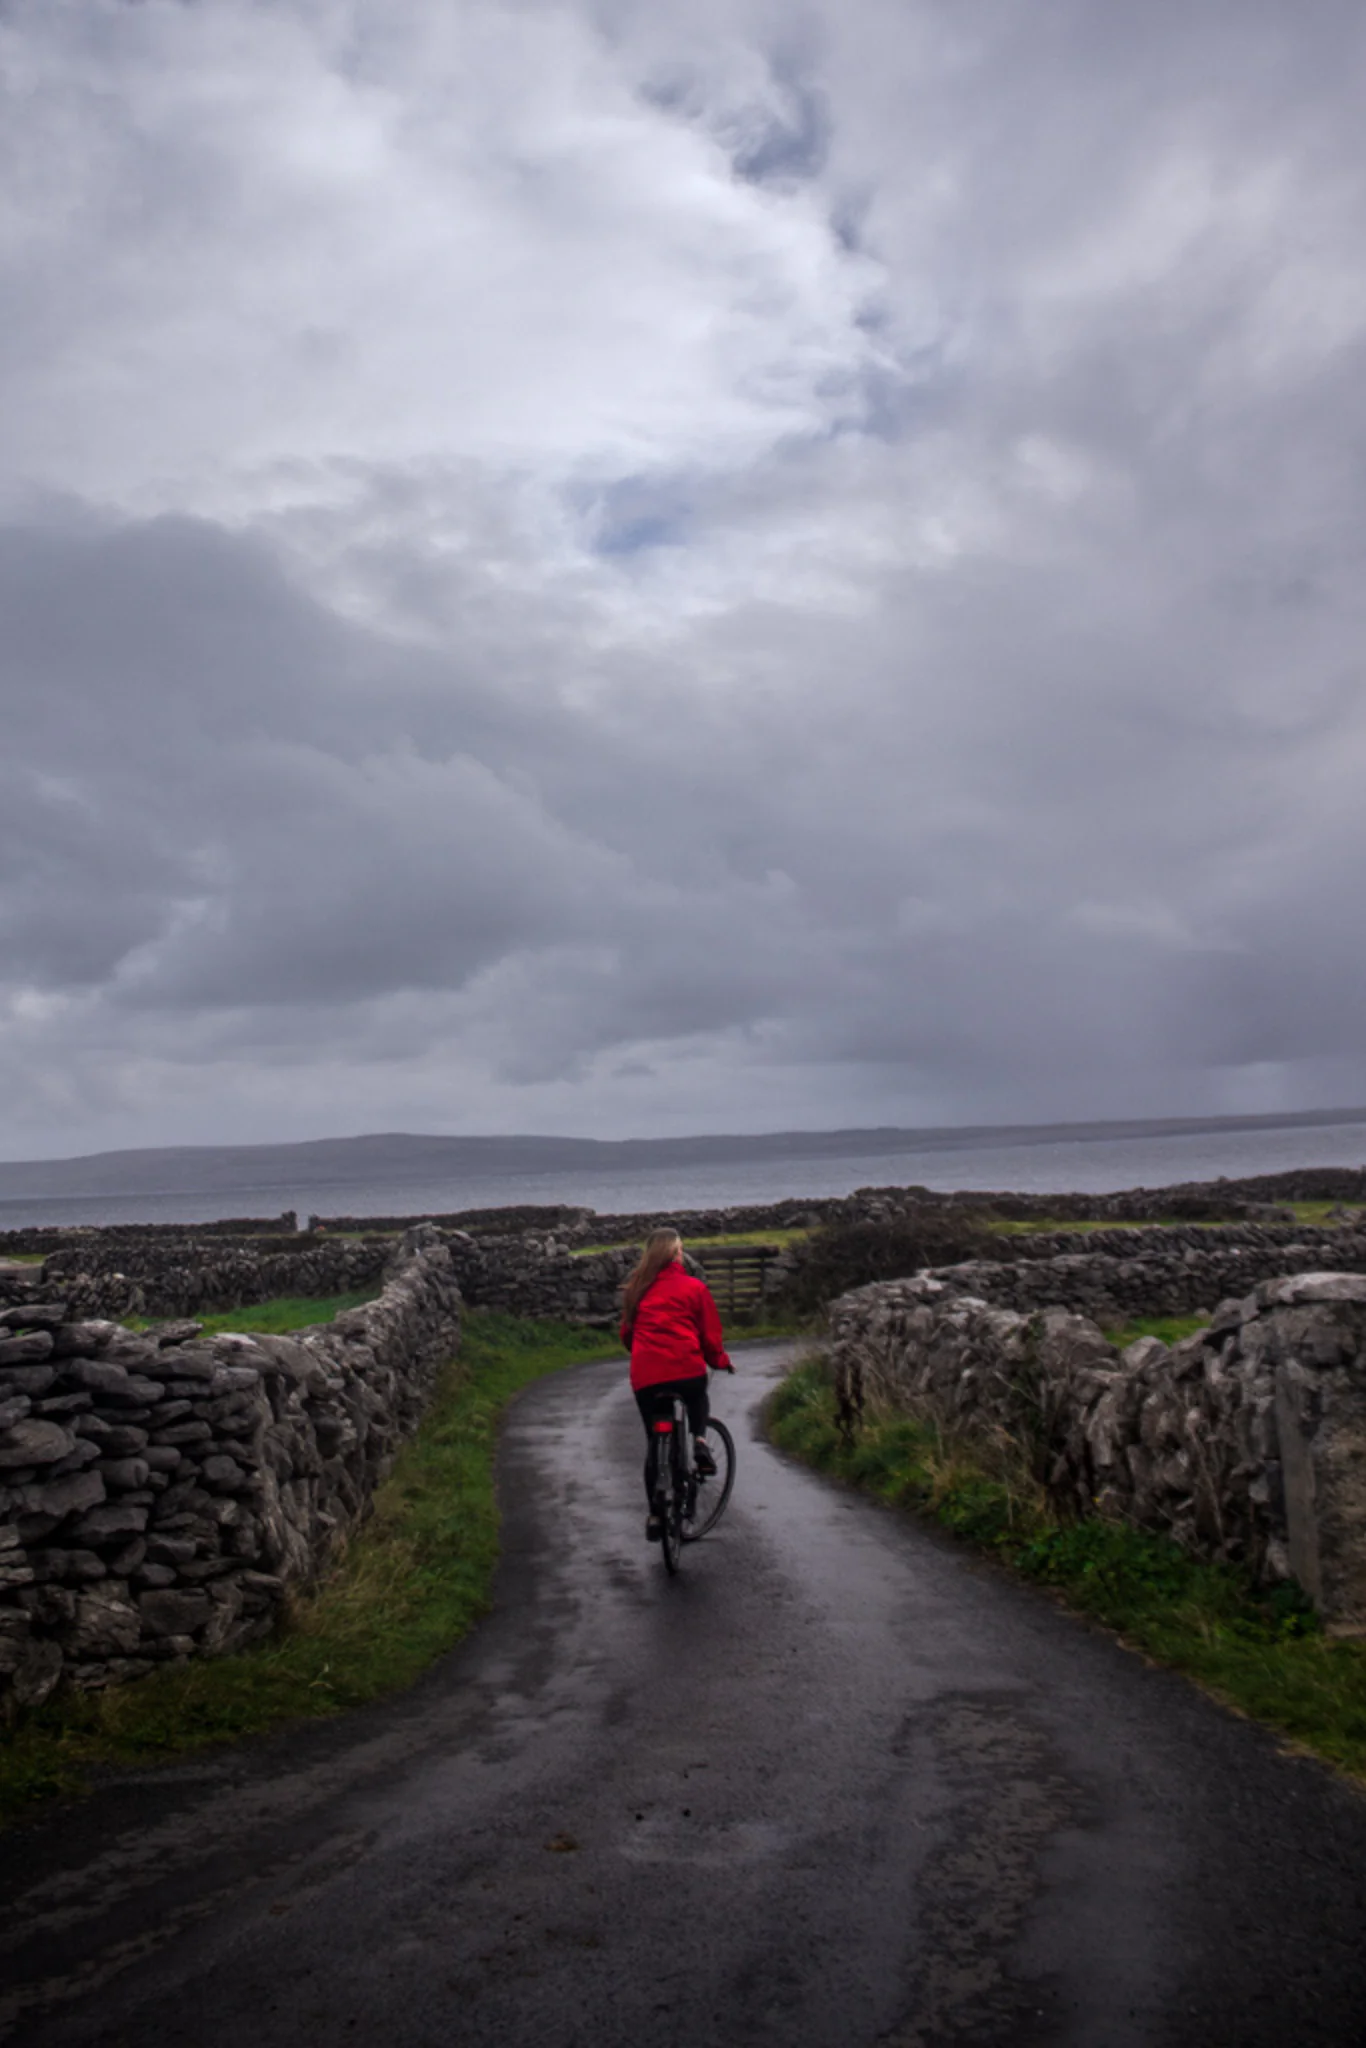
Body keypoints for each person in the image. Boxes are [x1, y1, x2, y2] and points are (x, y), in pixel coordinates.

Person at [621, 1227, 733, 1542]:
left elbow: (627, 1336)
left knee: (653, 1443)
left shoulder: (636, 1289)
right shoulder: (694, 1287)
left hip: (646, 1375)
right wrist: (721, 1361)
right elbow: (710, 1337)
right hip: (686, 1368)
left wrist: (646, 1352)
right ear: (675, 1255)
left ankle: (656, 1515)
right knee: (698, 1393)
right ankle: (700, 1443)